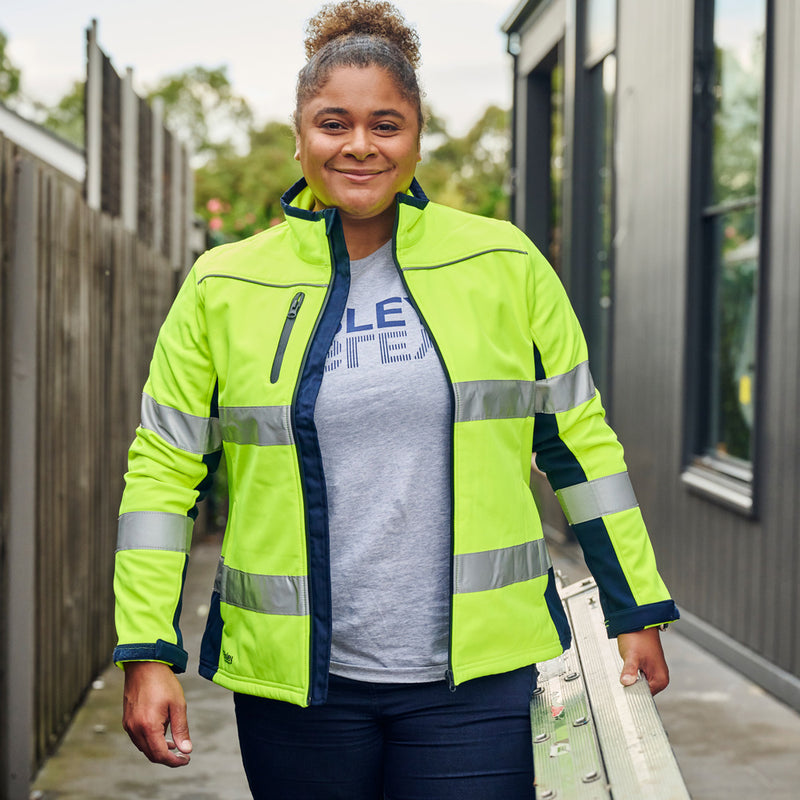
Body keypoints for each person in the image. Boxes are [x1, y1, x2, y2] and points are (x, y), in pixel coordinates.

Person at [114, 1, 679, 797]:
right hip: (298, 690)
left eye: (386, 124)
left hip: (475, 686)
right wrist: (146, 650)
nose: (358, 146)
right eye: (332, 122)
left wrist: (636, 610)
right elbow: (163, 473)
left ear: (416, 134)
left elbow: (581, 445)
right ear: (299, 134)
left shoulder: (502, 263)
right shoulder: (223, 284)